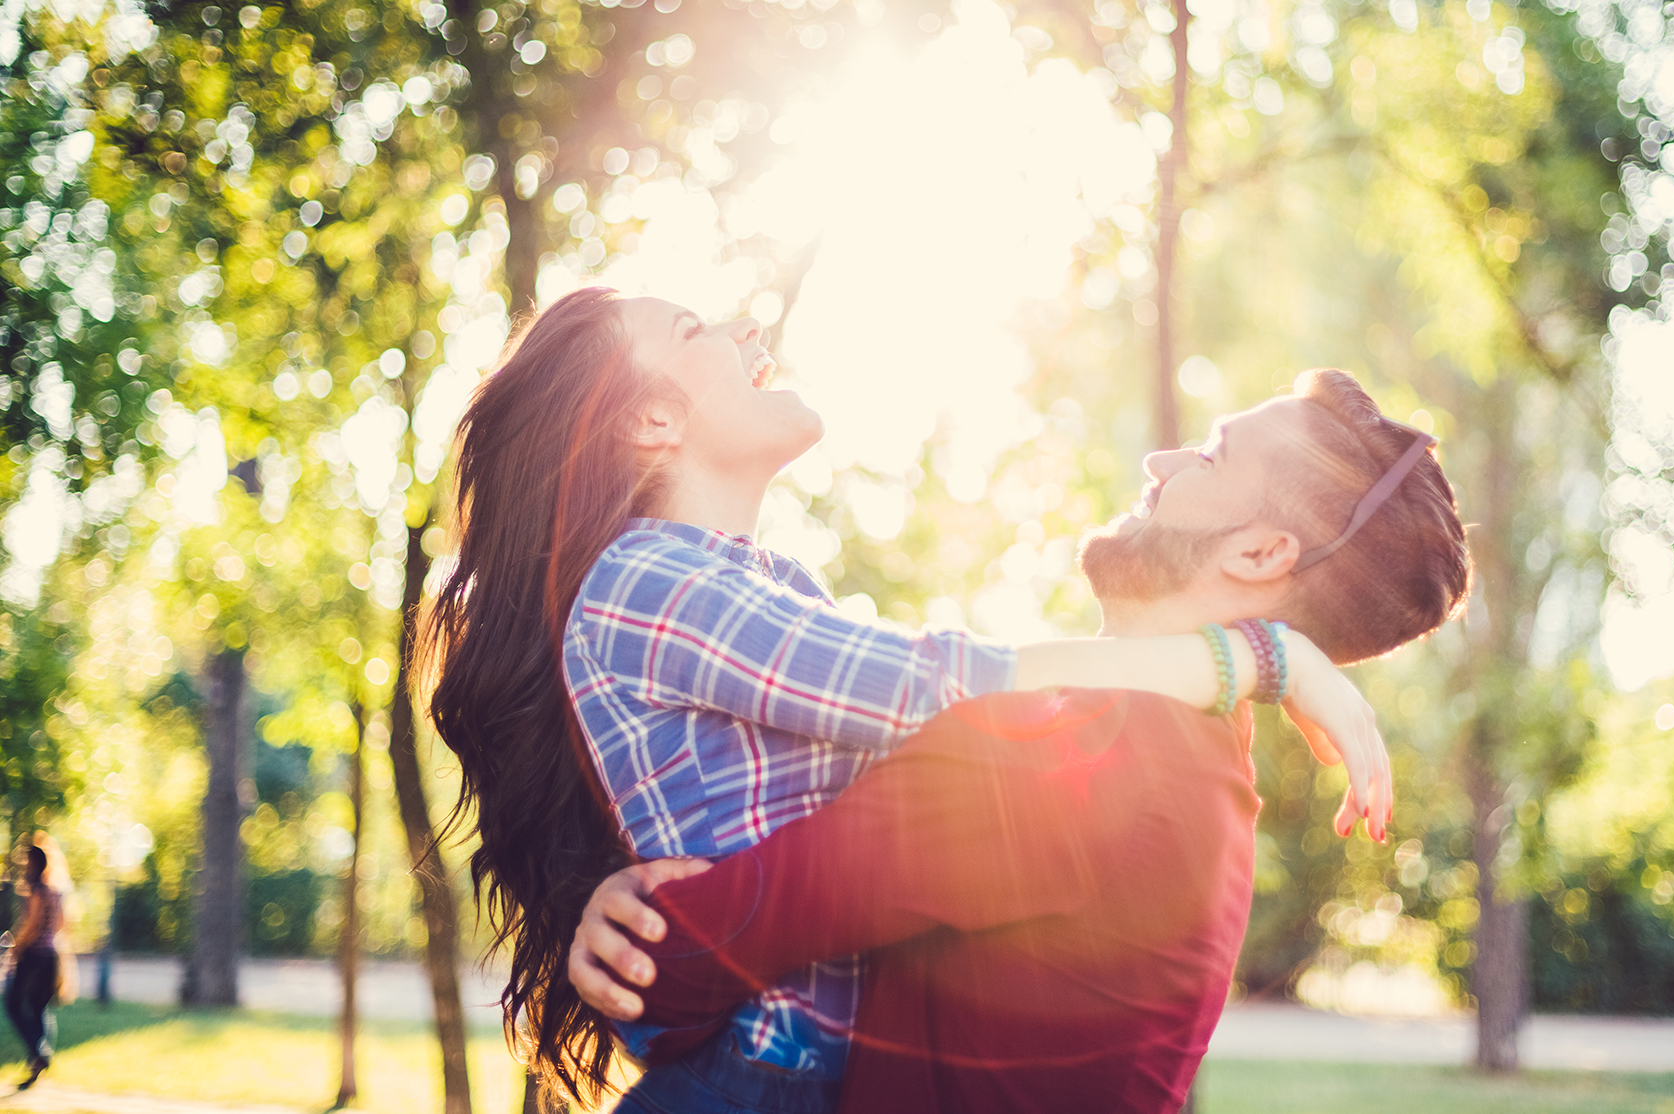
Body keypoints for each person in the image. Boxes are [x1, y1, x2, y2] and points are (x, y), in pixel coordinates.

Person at [420, 289, 1394, 1111]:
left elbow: (904, 760)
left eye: (1212, 457)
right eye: (694, 329)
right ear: (651, 421)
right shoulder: (654, 580)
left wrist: (654, 946)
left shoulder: (1138, 761)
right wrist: (1254, 658)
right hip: (760, 1070)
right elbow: (923, 690)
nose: (746, 329)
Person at [5, 835, 69, 1091]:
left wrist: (16, 946)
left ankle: (39, 1052)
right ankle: (37, 1060)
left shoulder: (34, 889)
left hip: (32, 955)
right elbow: (62, 924)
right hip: (51, 955)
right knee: (40, 1008)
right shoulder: (55, 890)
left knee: (12, 1005)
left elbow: (30, 923)